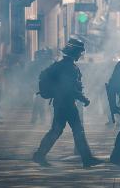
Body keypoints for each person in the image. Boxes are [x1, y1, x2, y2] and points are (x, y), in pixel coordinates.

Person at [32, 38, 102, 168]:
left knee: (63, 130)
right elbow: (70, 88)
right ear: (75, 52)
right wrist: (84, 99)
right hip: (66, 104)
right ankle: (40, 155)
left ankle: (41, 155)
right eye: (80, 52)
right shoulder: (69, 68)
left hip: (62, 103)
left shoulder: (60, 65)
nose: (81, 54)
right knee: (68, 130)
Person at [30, 49, 54, 124]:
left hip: (44, 85)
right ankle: (41, 119)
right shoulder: (50, 63)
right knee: (40, 103)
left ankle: (40, 119)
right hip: (44, 85)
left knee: (40, 103)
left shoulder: (47, 63)